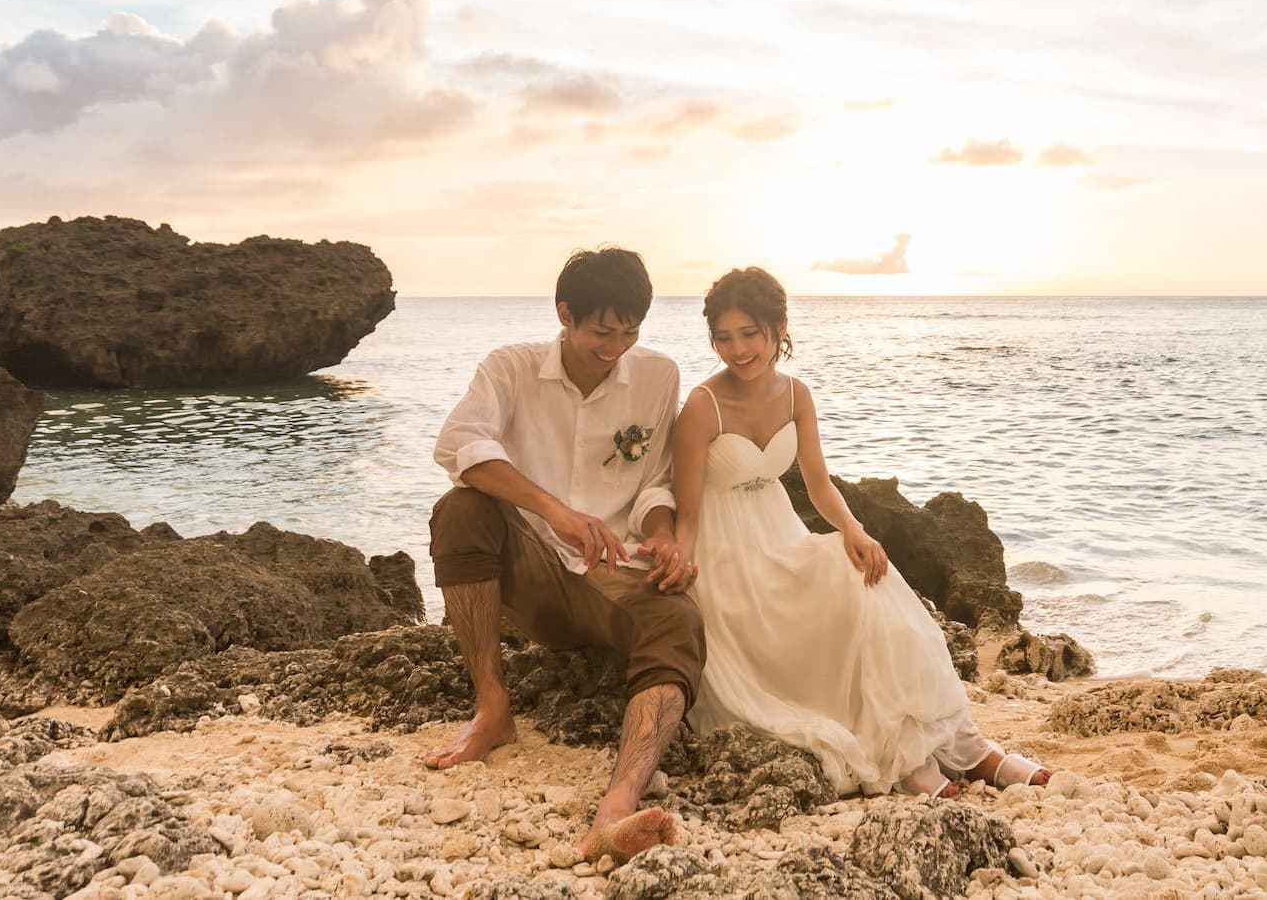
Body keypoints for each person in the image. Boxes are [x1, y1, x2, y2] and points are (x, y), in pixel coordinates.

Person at [669, 266, 1049, 797]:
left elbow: (820, 485)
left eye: (749, 333)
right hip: (724, 556)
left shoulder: (797, 394)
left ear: (779, 327)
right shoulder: (701, 406)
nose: (737, 349)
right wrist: (681, 575)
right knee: (837, 602)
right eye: (724, 338)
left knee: (869, 577)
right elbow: (685, 513)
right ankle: (911, 763)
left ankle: (971, 750)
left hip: (778, 535)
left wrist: (854, 529)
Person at [425, 246, 704, 862]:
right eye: (602, 332)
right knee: (461, 509)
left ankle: (618, 806)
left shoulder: (659, 376)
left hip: (615, 577)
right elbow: (457, 443)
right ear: (564, 314)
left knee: (680, 619)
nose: (616, 347)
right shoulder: (511, 367)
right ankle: (492, 709)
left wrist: (660, 532)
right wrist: (553, 510)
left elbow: (656, 479)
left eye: (630, 332)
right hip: (534, 569)